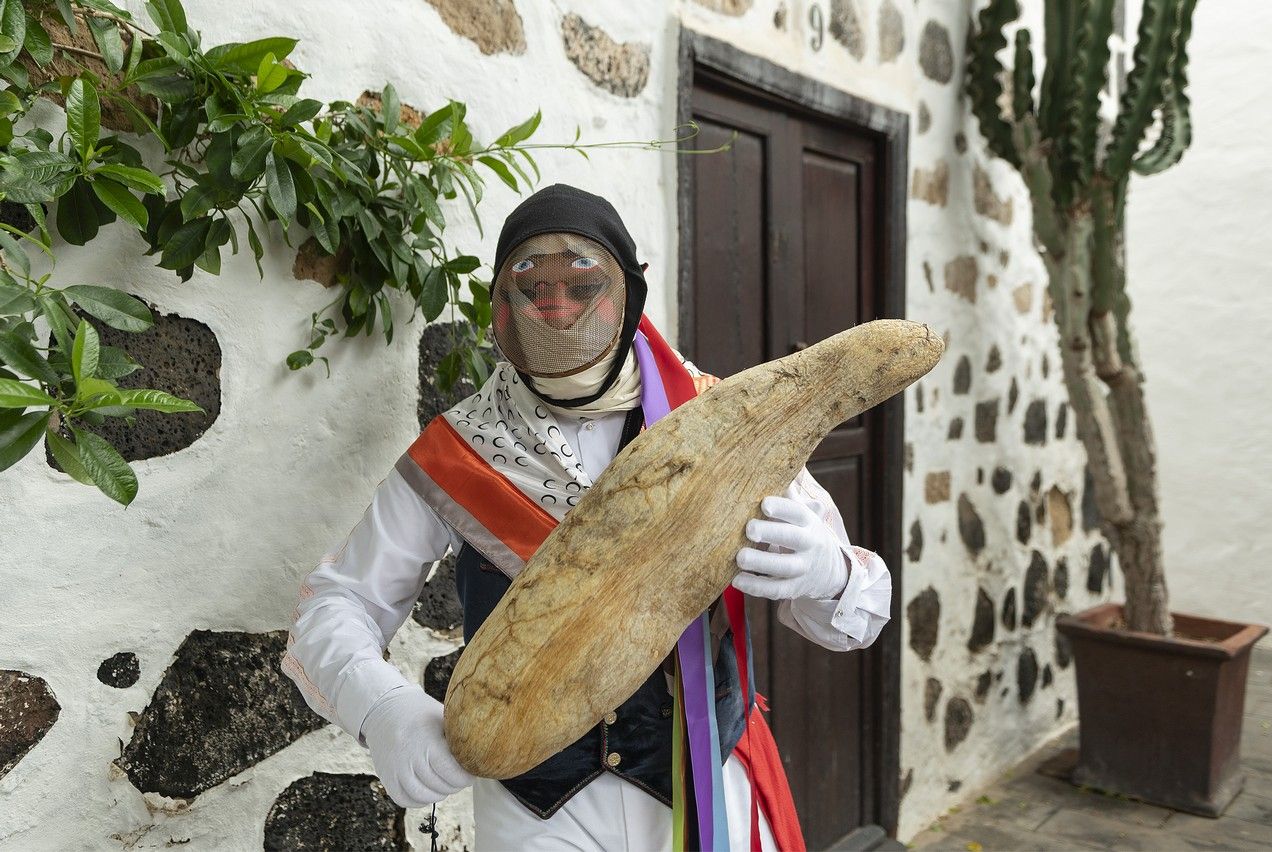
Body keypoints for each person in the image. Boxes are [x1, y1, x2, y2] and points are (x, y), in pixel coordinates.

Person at [281, 183, 892, 851]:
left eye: (580, 286)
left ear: (628, 291)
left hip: (706, 785)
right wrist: (382, 708)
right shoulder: (457, 455)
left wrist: (829, 572)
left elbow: (861, 614)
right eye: (532, 287)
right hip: (535, 813)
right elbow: (339, 602)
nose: (558, 309)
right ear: (501, 304)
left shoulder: (724, 421)